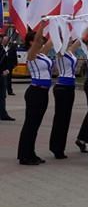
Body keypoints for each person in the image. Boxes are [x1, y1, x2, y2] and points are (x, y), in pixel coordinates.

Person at [18, 28, 54, 165]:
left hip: (43, 92)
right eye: (38, 39)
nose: (41, 40)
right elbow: (38, 38)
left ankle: (30, 153)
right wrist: (43, 25)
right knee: (30, 125)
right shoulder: (31, 54)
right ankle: (24, 156)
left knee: (35, 125)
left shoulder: (42, 54)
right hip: (35, 92)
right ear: (31, 42)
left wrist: (62, 25)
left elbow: (52, 42)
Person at [50, 40, 81, 159]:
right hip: (62, 87)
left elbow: (79, 41)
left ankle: (59, 147)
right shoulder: (60, 52)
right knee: (61, 118)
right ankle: (57, 148)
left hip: (69, 87)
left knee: (65, 118)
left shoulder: (70, 51)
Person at [0, 35, 14, 121]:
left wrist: (8, 69)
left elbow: (9, 61)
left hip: (2, 75)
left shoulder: (5, 49)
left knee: (2, 96)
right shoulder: (2, 50)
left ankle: (3, 114)